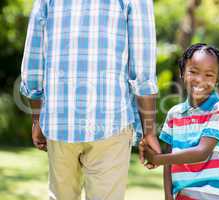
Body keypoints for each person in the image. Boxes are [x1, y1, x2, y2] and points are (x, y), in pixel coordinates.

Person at [20, 0, 161, 199]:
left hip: (60, 120)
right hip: (112, 122)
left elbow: (34, 59)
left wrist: (37, 118)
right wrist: (149, 131)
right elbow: (143, 68)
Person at [140, 43, 219, 200]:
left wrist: (157, 159)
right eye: (193, 72)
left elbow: (202, 152)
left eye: (209, 75)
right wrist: (168, 196)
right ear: (182, 73)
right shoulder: (174, 114)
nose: (200, 79)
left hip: (215, 195)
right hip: (183, 195)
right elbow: (170, 161)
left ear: (218, 79)